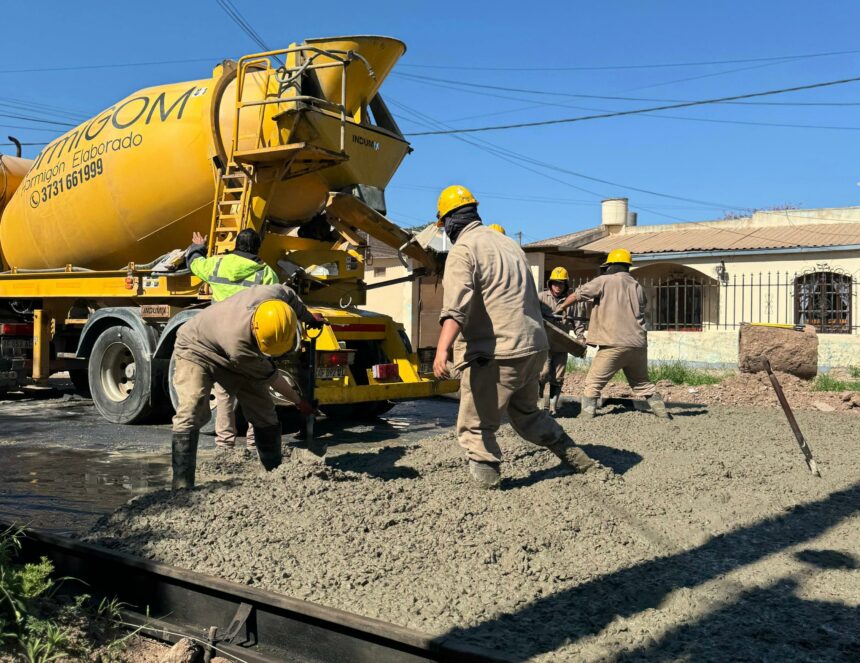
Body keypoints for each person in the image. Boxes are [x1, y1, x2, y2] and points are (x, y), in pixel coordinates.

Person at [431, 184, 595, 489]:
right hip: (533, 348)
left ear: (450, 221)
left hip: (497, 354)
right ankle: (577, 458)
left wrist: (442, 351)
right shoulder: (509, 244)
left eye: (445, 225)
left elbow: (455, 308)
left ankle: (489, 486)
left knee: (476, 425)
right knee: (527, 414)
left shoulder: (463, 250)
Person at [170, 284, 325, 489]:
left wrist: (308, 317)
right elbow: (272, 378)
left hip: (233, 348)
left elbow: (293, 300)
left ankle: (274, 472)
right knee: (192, 407)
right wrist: (299, 402)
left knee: (264, 412)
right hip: (196, 349)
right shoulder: (240, 348)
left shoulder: (277, 294)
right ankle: (182, 484)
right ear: (256, 329)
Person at [186, 229, 278, 450]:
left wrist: (197, 247)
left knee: (225, 392)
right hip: (250, 339)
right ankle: (254, 443)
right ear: (257, 248)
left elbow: (195, 264)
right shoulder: (266, 273)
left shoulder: (217, 264)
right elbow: (275, 302)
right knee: (256, 391)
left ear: (236, 245)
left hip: (219, 337)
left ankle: (225, 444)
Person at [558, 249, 669, 419]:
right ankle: (662, 413)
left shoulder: (604, 281)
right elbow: (640, 308)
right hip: (638, 345)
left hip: (614, 344)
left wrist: (561, 307)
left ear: (611, 266)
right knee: (643, 384)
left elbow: (578, 294)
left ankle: (586, 416)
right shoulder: (637, 286)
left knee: (593, 383)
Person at [537, 266, 581, 415]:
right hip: (543, 344)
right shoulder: (541, 298)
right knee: (543, 373)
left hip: (561, 345)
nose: (557, 286)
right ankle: (538, 405)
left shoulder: (571, 302)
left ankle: (552, 408)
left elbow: (578, 323)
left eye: (561, 283)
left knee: (558, 377)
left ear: (565, 285)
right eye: (555, 283)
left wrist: (581, 337)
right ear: (550, 284)